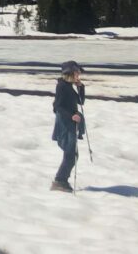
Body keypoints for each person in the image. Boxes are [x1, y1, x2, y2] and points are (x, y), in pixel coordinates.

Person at [51, 60, 86, 192]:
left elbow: (81, 101)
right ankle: (60, 181)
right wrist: (71, 116)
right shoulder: (62, 86)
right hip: (65, 123)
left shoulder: (68, 85)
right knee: (71, 153)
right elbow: (57, 106)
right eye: (77, 73)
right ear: (70, 73)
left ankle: (61, 181)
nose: (79, 75)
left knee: (72, 153)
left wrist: (80, 87)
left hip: (70, 122)